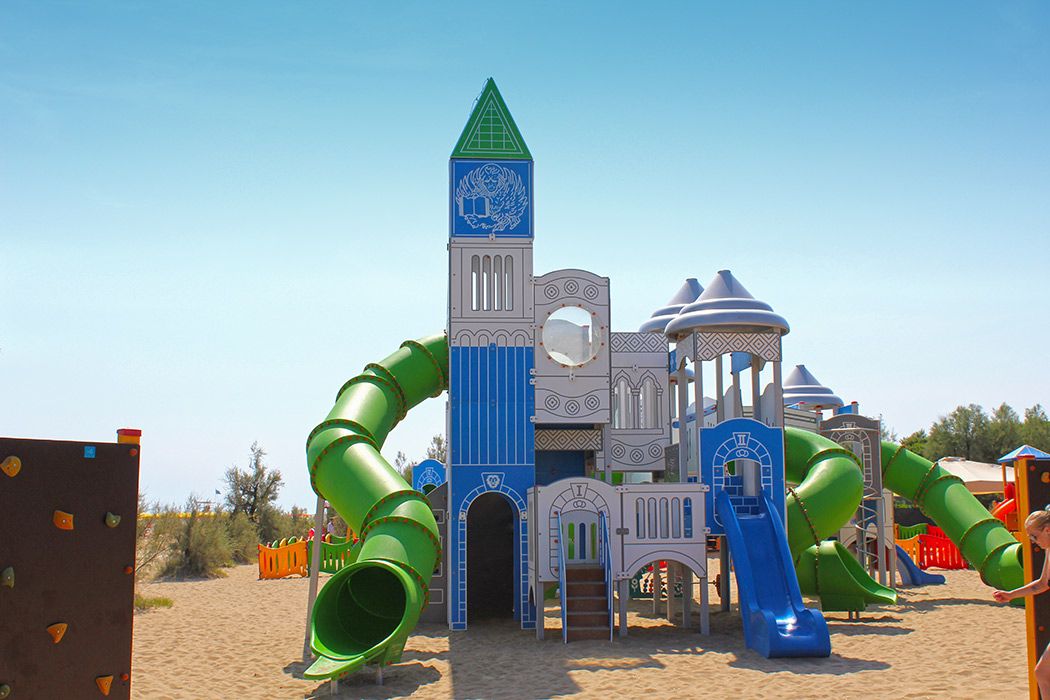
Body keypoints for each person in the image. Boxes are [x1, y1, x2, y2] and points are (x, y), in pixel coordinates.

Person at [993, 508, 1050, 697]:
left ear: (1047, 530)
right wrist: (1011, 595)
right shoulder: (1049, 550)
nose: (1033, 541)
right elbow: (1042, 584)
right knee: (1042, 673)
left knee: (1043, 673)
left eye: (1034, 536)